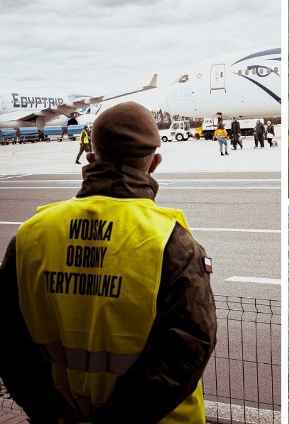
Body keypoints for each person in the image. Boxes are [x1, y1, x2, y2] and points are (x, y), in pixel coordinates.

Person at [0, 101, 216, 423]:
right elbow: (190, 346)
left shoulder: (30, 236)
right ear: (154, 163)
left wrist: (49, 412)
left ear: (90, 157)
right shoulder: (172, 243)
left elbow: (9, 340)